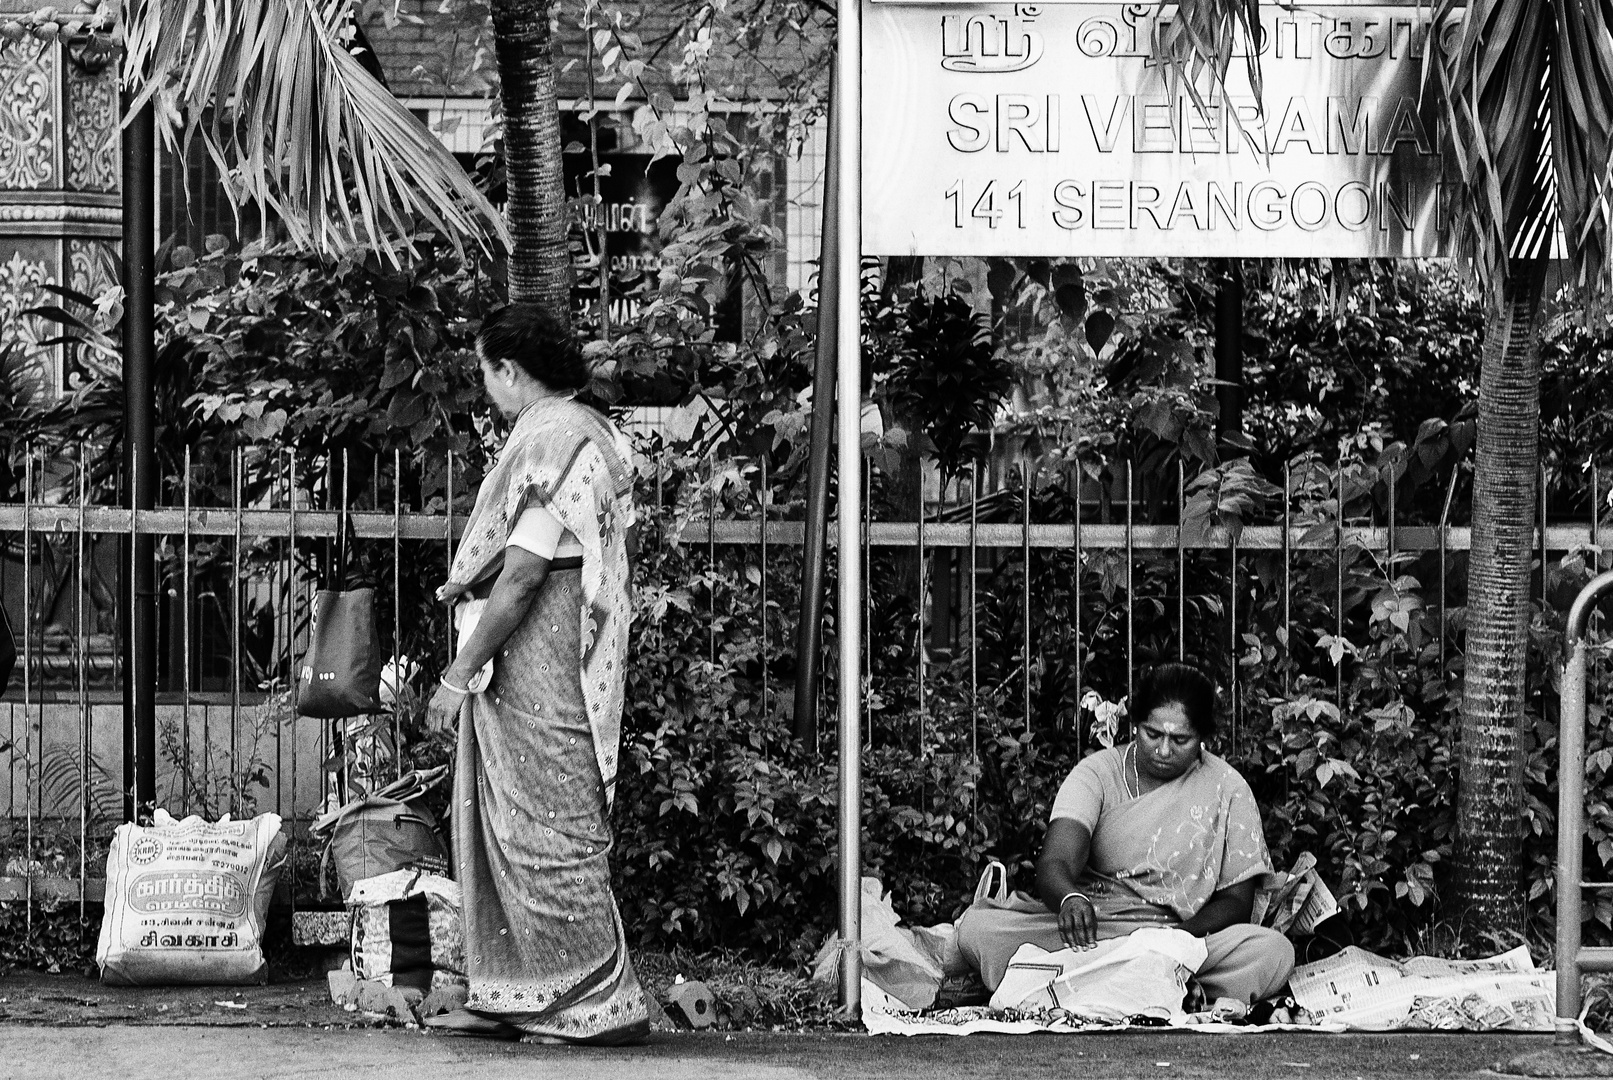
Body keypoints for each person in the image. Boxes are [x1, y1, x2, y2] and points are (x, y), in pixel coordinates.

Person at [423, 302, 648, 1044]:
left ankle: (595, 1004)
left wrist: (457, 675)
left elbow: (522, 576)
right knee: (507, 829)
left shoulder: (556, 440)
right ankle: (519, 993)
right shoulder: (573, 431)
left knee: (549, 833)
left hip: (543, 671)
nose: (485, 383)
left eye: (485, 370)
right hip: (526, 674)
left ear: (508, 370)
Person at [956, 661, 1295, 1006]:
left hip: (1176, 939)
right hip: (1094, 931)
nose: (1163, 750)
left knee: (1272, 952)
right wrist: (1070, 899)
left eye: (1180, 739)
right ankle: (1160, 989)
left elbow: (1237, 902)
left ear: (1203, 737)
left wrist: (1170, 941)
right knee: (978, 931)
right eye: (1152, 734)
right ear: (1134, 725)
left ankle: (1096, 982)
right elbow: (1057, 859)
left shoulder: (1227, 787)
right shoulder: (1097, 774)